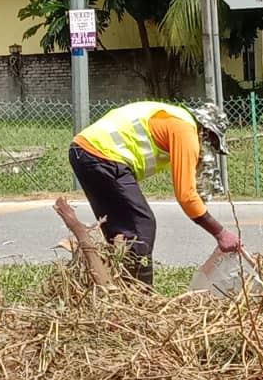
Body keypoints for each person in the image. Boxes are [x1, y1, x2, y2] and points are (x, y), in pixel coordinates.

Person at [69, 100, 240, 285]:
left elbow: (193, 191)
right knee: (141, 225)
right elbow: (186, 196)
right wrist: (221, 234)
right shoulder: (185, 131)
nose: (209, 149)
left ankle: (119, 289)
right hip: (101, 155)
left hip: (85, 152)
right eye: (213, 143)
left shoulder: (175, 119)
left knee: (123, 232)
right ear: (208, 132)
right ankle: (142, 297)